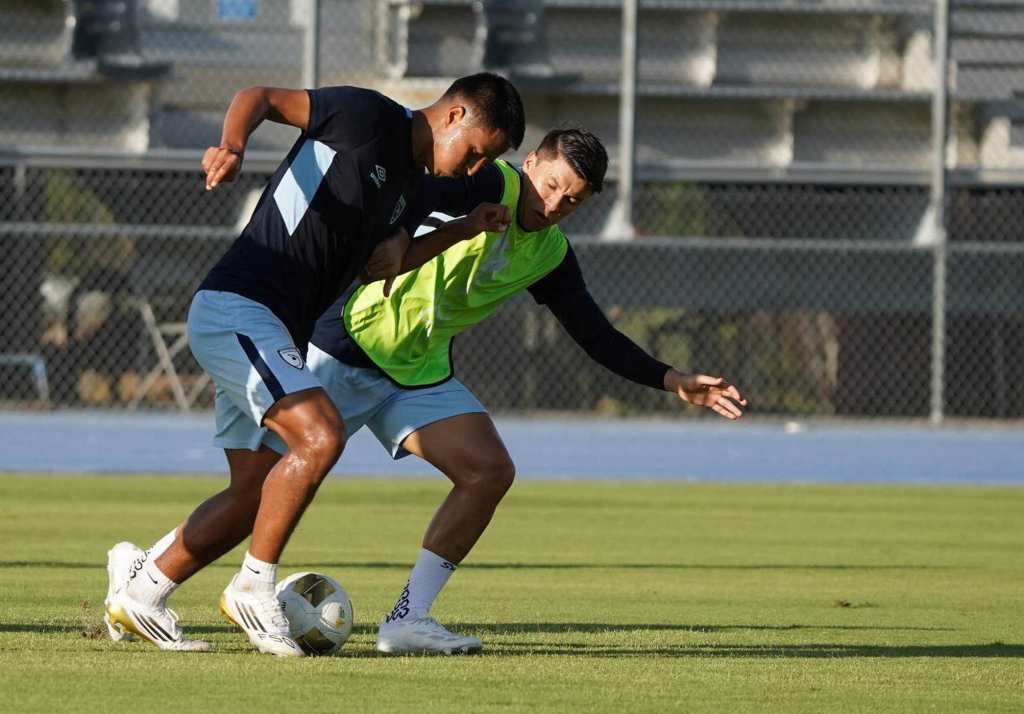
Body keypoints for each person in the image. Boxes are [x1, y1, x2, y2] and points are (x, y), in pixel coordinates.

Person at [113, 127, 747, 656]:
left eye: (574, 200)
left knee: (488, 470)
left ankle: (407, 620)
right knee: (253, 495)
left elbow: (592, 332)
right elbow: (409, 187)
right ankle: (144, 582)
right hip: (340, 347)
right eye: (553, 185)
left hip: (415, 373)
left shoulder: (549, 251)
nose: (556, 205)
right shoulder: (482, 180)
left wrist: (671, 378)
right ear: (531, 164)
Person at [104, 73, 525, 656]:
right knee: (321, 435)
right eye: (478, 152)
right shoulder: (368, 116)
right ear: (454, 116)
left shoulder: (408, 186)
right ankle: (254, 587)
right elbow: (260, 97)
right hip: (239, 306)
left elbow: (385, 266)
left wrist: (467, 227)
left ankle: (142, 590)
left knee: (252, 493)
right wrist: (232, 143)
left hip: (273, 328)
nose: (477, 168)